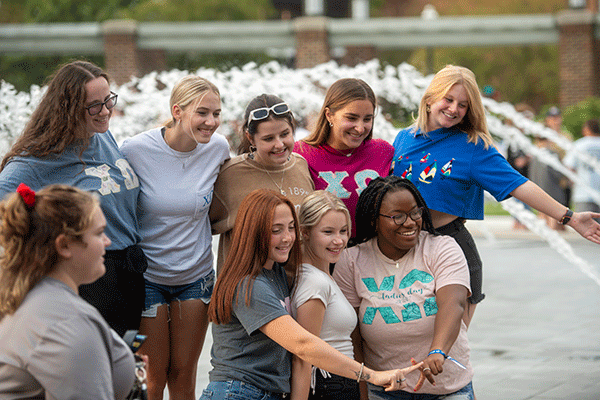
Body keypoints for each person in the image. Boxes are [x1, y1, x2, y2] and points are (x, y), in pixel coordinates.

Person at [391, 65, 600, 327]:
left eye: (463, 105)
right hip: (399, 251)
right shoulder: (403, 139)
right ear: (430, 98)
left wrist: (569, 217)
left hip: (450, 251)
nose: (454, 109)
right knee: (395, 345)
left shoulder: (473, 146)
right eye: (448, 99)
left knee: (448, 352)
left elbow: (519, 184)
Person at [201, 189, 421, 400]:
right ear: (254, 232)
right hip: (238, 391)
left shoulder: (275, 272)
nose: (287, 238)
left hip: (267, 391)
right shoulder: (249, 285)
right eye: (276, 230)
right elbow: (302, 345)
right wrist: (373, 375)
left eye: (290, 228)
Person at [0, 60, 145, 337]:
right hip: (91, 278)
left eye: (108, 101)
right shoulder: (38, 160)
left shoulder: (101, 135)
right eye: (94, 106)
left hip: (130, 271)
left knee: (128, 368)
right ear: (67, 108)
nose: (105, 112)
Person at [120, 75, 230, 400]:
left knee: (183, 377)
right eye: (203, 113)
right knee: (151, 379)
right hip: (147, 278)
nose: (211, 122)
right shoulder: (134, 149)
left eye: (216, 113)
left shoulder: (218, 149)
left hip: (195, 277)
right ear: (177, 110)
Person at [333, 176, 474, 399]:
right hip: (385, 389)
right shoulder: (352, 260)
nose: (410, 222)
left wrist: (438, 352)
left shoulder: (441, 248)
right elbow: (352, 334)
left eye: (415, 213)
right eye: (397, 216)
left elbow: (453, 304)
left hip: (446, 389)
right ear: (373, 220)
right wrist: (362, 390)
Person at [0, 183, 135, 399]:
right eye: (99, 233)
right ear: (63, 246)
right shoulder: (67, 323)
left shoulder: (24, 292)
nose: (107, 242)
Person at [210, 94, 314, 270]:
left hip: (298, 287)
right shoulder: (230, 174)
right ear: (251, 138)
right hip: (250, 289)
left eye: (285, 134)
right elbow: (198, 225)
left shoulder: (301, 165)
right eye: (268, 138)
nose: (279, 144)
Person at [294, 78, 394, 239]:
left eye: (367, 119)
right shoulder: (300, 154)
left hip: (373, 255)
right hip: (323, 257)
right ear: (329, 115)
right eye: (351, 118)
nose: (360, 128)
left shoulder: (383, 152)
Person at [291, 190, 358, 399]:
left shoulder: (325, 277)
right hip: (327, 386)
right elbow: (302, 355)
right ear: (305, 232)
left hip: (340, 382)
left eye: (343, 231)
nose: (338, 241)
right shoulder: (314, 282)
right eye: (328, 232)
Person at [563, 119, 600, 216]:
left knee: (585, 227)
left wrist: (571, 183)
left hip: (583, 193)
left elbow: (569, 167)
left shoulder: (579, 144)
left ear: (586, 130)